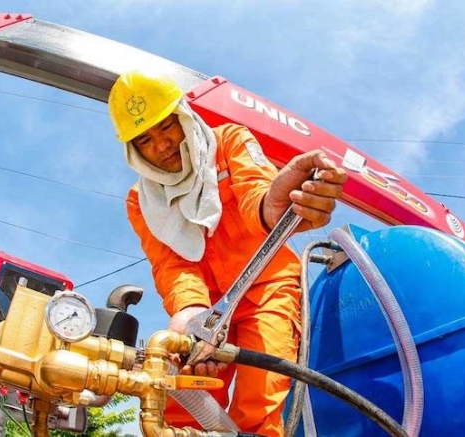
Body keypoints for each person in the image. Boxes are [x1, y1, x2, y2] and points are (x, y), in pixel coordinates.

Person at [108, 70, 347, 437]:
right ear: (133, 151)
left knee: (260, 401)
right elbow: (171, 264)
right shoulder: (140, 202)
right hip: (205, 310)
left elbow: (258, 192)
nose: (162, 145)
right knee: (178, 401)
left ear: (184, 117)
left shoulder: (231, 141)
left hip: (266, 289)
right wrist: (189, 316)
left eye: (166, 127)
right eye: (145, 139)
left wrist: (272, 208)